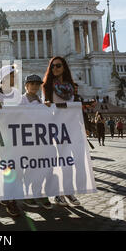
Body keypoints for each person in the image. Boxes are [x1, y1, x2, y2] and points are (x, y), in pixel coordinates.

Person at [42, 56, 81, 207]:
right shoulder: (48, 86)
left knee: (69, 160)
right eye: (52, 66)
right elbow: (46, 106)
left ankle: (68, 190)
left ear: (64, 67)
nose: (55, 68)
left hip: (71, 126)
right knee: (59, 160)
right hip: (56, 126)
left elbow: (74, 104)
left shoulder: (71, 86)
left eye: (58, 66)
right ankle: (58, 193)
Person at [0, 65, 22, 217]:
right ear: (4, 78)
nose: (15, 79)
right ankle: (9, 200)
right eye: (12, 76)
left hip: (15, 136)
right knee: (7, 167)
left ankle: (9, 198)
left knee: (11, 168)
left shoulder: (17, 93)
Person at [20, 74, 53, 210]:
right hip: (27, 140)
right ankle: (28, 195)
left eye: (37, 84)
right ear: (26, 85)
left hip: (41, 140)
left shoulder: (42, 100)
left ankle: (39, 192)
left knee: (42, 167)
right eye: (31, 84)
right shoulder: (21, 100)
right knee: (29, 168)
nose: (34, 86)